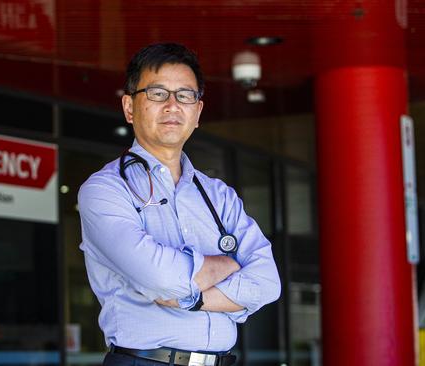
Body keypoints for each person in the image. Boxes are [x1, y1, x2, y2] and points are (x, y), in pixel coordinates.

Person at [78, 43, 281, 366]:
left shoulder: (219, 196)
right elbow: (161, 278)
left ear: (197, 112)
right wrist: (227, 265)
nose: (173, 105)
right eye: (158, 93)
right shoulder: (106, 190)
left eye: (185, 95)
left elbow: (268, 283)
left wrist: (192, 299)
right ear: (129, 108)